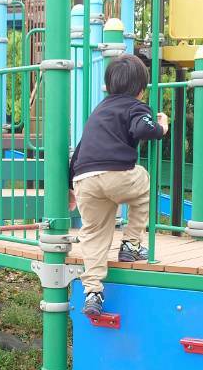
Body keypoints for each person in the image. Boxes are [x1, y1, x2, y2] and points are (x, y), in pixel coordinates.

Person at [68, 54, 168, 316]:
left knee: (94, 232)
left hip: (84, 179)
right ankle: (131, 244)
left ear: (108, 86)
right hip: (116, 174)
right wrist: (161, 126)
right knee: (143, 181)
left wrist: (71, 187)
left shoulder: (98, 111)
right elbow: (144, 129)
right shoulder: (136, 106)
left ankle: (92, 291)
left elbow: (80, 149)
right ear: (141, 89)